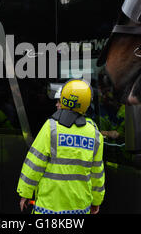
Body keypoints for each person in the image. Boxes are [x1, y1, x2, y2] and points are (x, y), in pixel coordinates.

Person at [17, 79, 105, 214]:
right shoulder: (95, 134)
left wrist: (26, 192)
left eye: (59, 100)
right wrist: (96, 201)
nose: (57, 104)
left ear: (65, 101)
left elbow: (34, 163)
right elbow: (97, 174)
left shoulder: (51, 127)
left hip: (48, 208)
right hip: (80, 209)